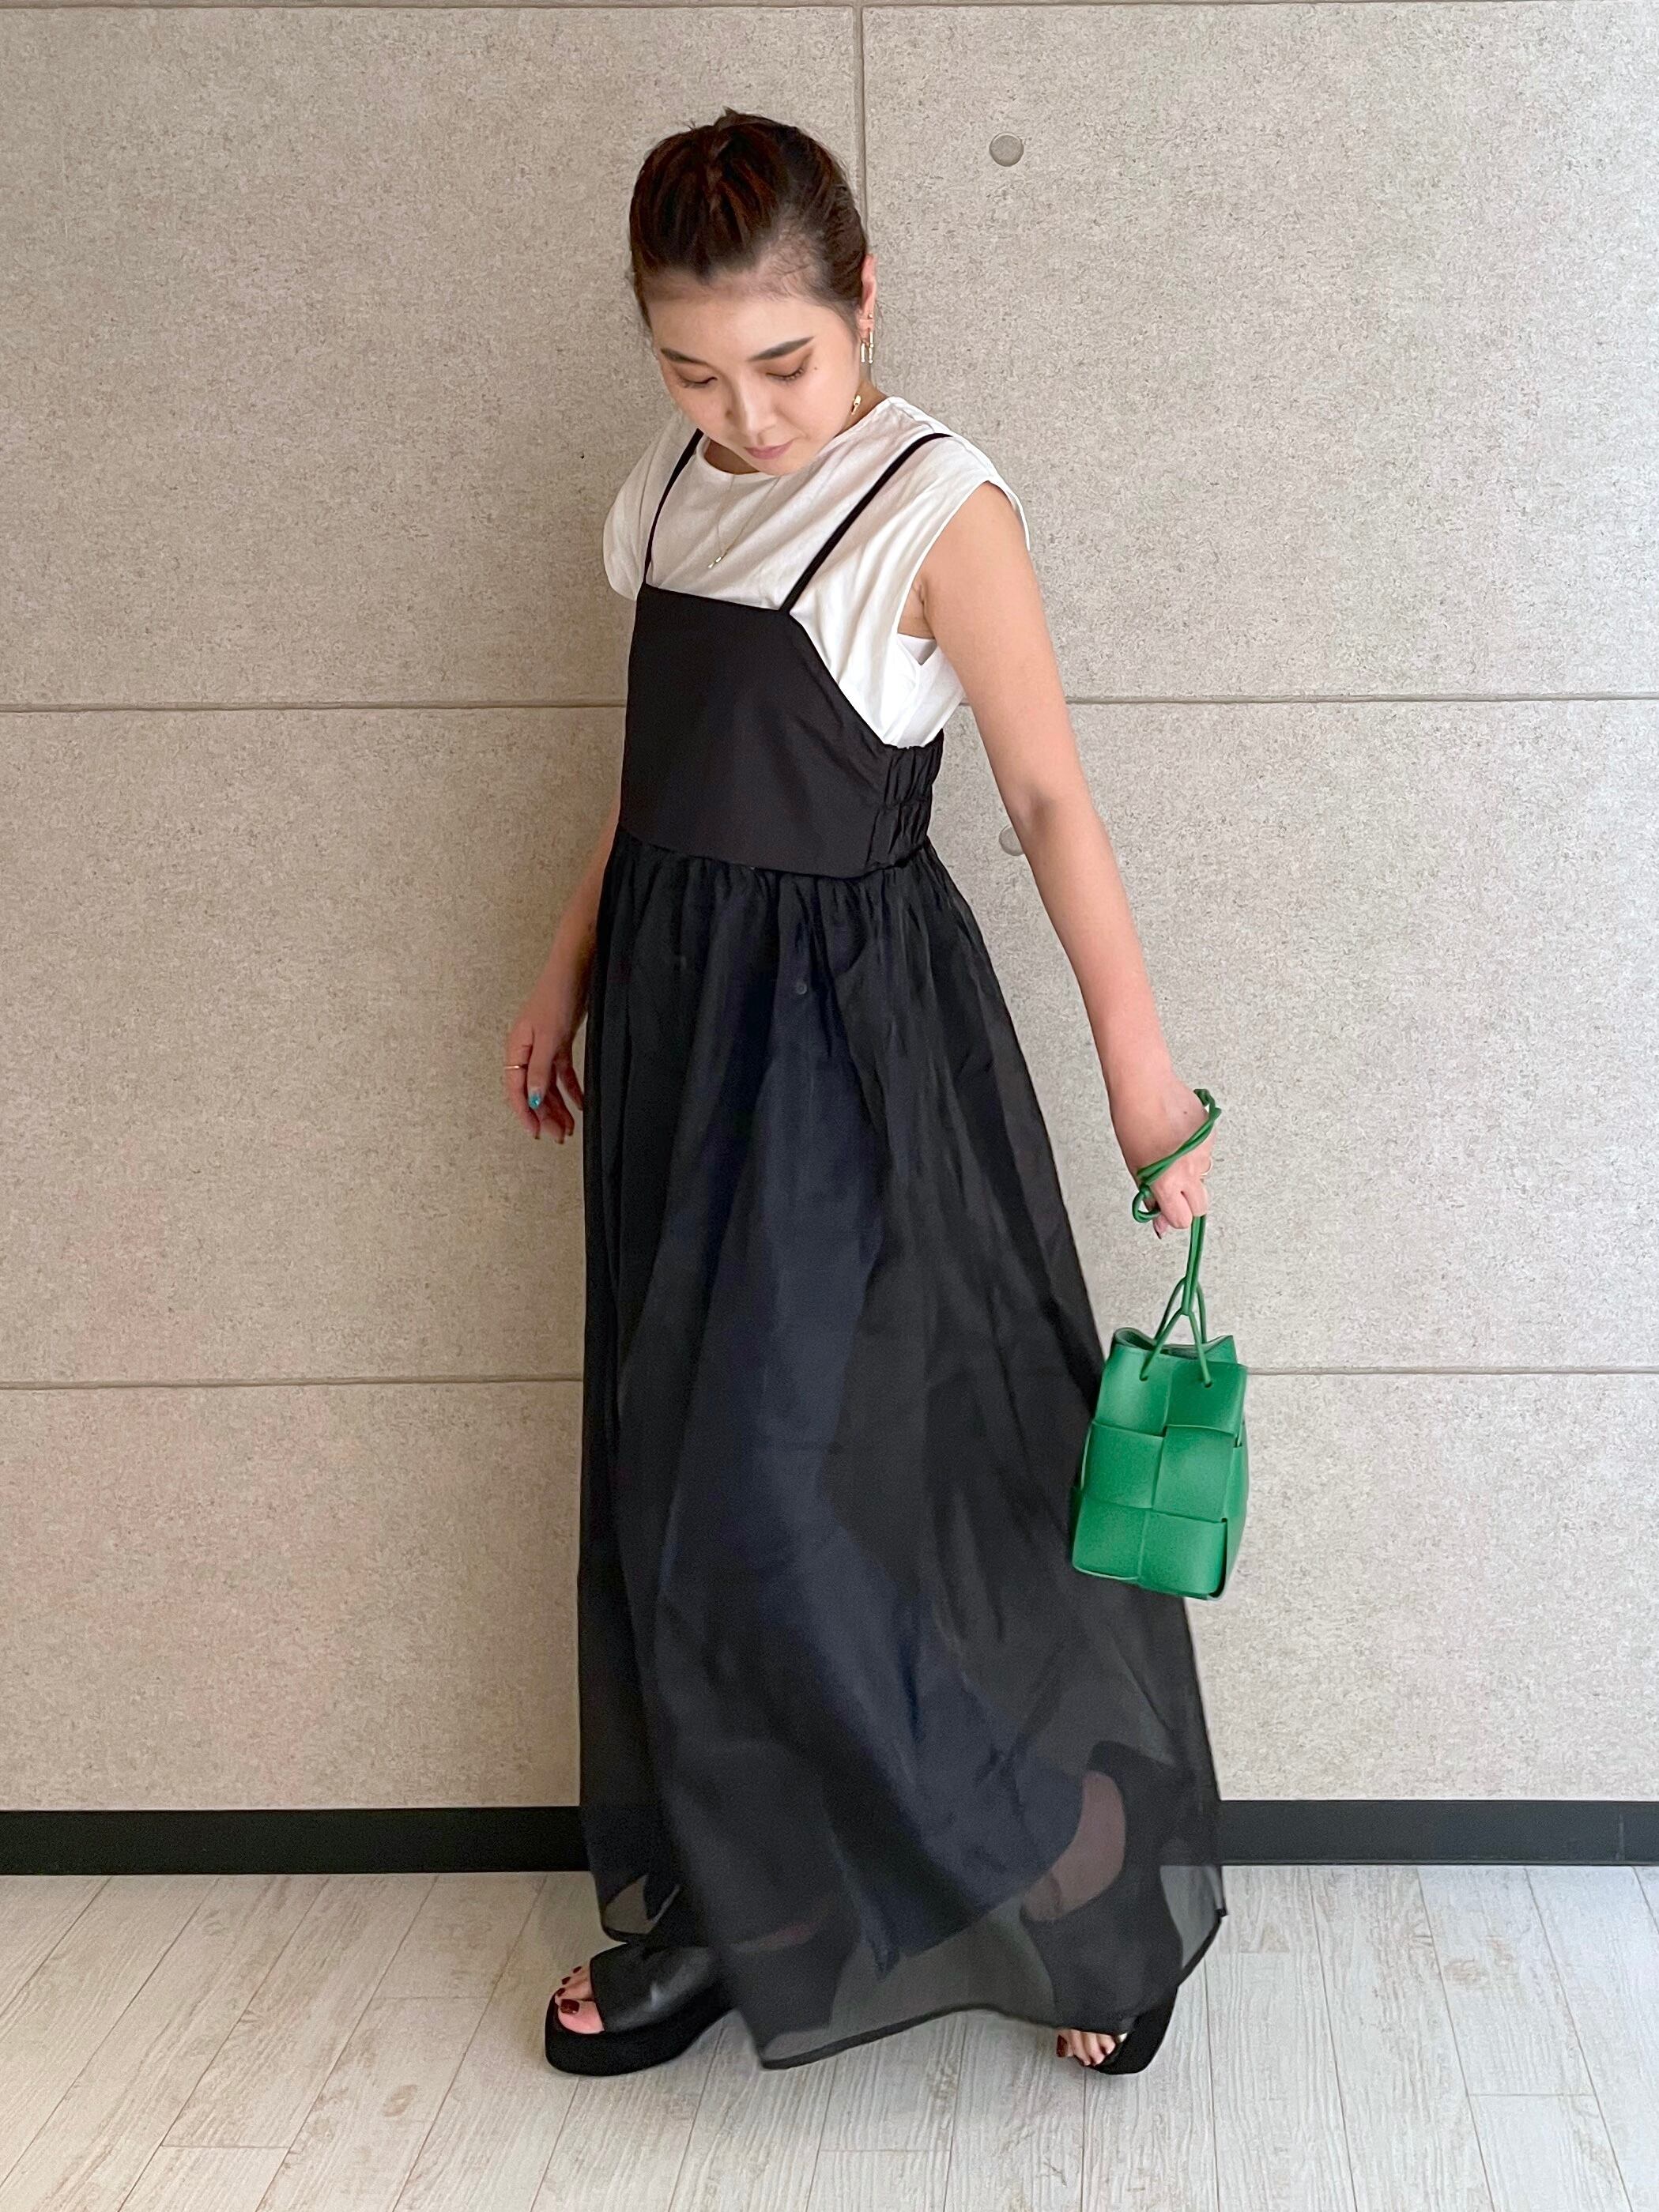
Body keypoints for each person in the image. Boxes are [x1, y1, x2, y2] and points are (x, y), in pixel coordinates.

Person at [507, 108, 1227, 2081]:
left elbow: (1050, 798)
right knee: (677, 1480)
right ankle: (731, 1905)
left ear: (866, 298)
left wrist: (1145, 1086)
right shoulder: (667, 491)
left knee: (815, 1487)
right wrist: (569, 963)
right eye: (691, 370)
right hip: (676, 1033)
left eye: (782, 362)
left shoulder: (935, 505)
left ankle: (1077, 1861)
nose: (743, 416)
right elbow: (653, 778)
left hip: (841, 1055)